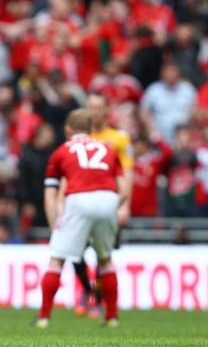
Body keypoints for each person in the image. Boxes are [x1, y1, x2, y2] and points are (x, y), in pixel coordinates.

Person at [34, 109, 125, 329]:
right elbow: (122, 187)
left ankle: (44, 317)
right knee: (105, 259)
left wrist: (54, 224)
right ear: (93, 129)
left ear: (68, 129)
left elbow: (50, 194)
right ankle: (111, 317)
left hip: (78, 198)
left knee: (57, 259)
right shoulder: (108, 149)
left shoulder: (61, 151)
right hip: (108, 197)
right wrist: (115, 206)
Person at [72, 92, 134, 318]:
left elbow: (127, 172)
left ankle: (96, 299)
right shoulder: (79, 138)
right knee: (74, 251)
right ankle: (88, 291)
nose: (93, 112)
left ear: (107, 110)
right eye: (90, 107)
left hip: (108, 202)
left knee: (102, 253)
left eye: (98, 107)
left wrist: (124, 205)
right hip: (81, 201)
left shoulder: (119, 138)